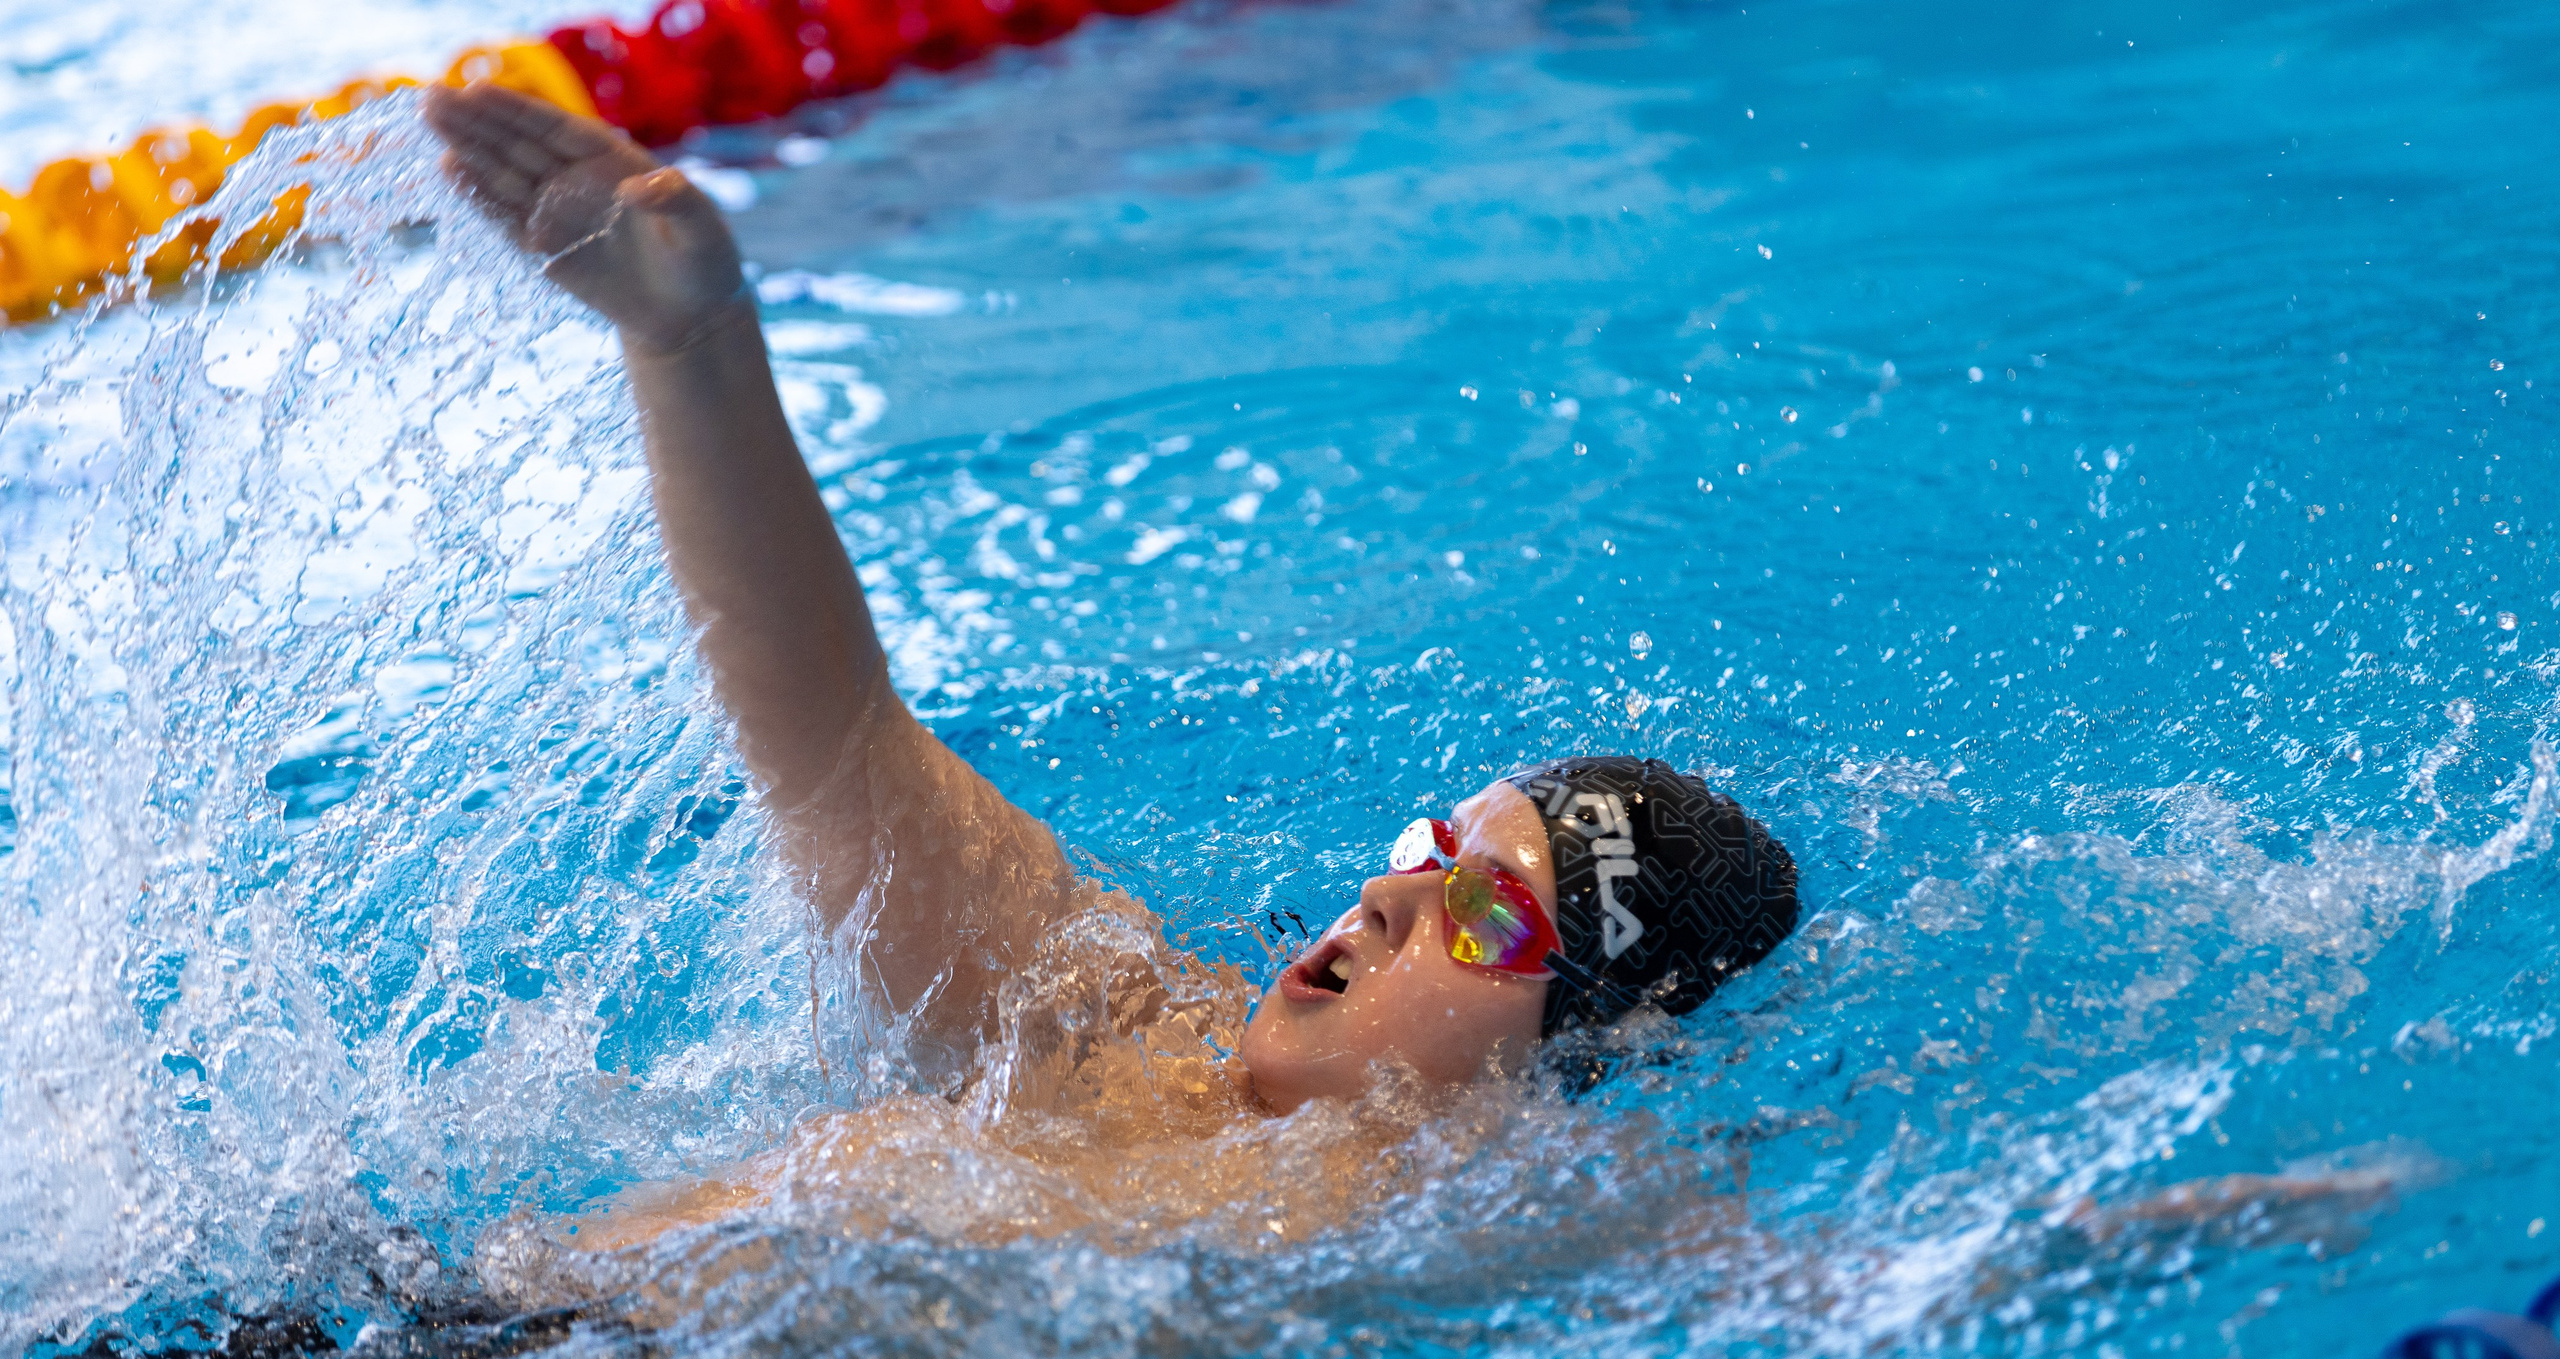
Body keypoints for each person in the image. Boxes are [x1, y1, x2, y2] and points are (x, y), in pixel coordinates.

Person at [419, 83, 1800, 1251]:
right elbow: (836, 747)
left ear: (1598, 1063)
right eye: (1432, 851)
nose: (1383, 896)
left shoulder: (1489, 1205)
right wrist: (692, 344)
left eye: (1486, 917)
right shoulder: (1114, 1022)